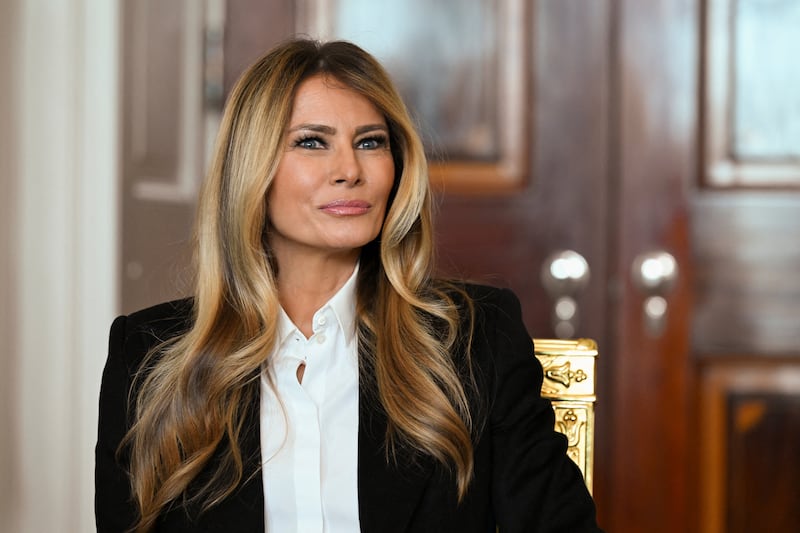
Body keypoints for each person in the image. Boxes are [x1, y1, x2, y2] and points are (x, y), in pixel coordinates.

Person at [95, 38, 602, 533]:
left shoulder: (475, 339)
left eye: (370, 142)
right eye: (312, 142)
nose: (350, 170)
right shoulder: (148, 355)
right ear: (252, 167)